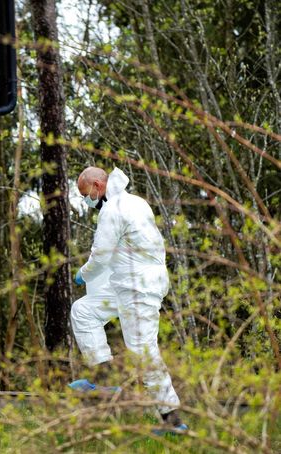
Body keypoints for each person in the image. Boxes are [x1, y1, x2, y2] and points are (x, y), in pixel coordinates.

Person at [69, 166, 187, 433]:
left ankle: (172, 420)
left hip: (139, 288)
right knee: (84, 310)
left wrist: (82, 274)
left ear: (98, 186)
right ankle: (106, 379)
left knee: (143, 351)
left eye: (85, 194)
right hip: (126, 282)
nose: (86, 200)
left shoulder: (113, 211)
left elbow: (100, 256)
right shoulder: (136, 202)